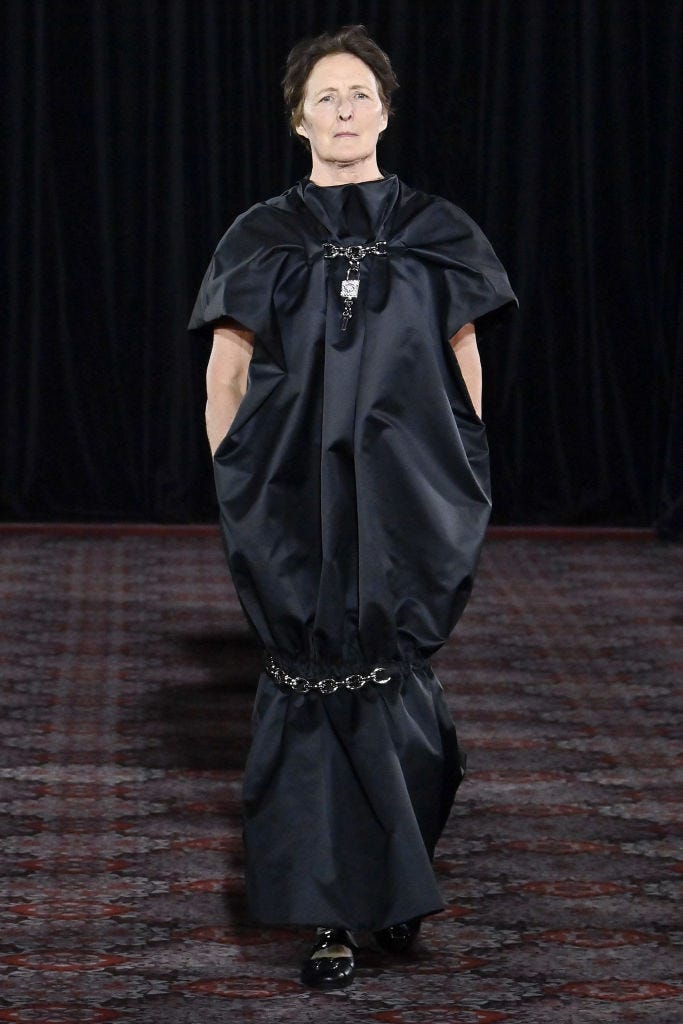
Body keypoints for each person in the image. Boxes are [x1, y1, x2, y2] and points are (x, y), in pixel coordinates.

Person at [189, 25, 516, 989]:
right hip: (290, 491)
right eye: (325, 96)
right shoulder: (261, 235)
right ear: (298, 118)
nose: (343, 109)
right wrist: (239, 484)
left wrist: (459, 473)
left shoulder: (436, 231)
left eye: (359, 94)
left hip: (409, 490)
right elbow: (227, 374)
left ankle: (399, 887)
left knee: (395, 669)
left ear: (383, 110)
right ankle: (330, 911)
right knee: (313, 674)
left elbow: (463, 361)